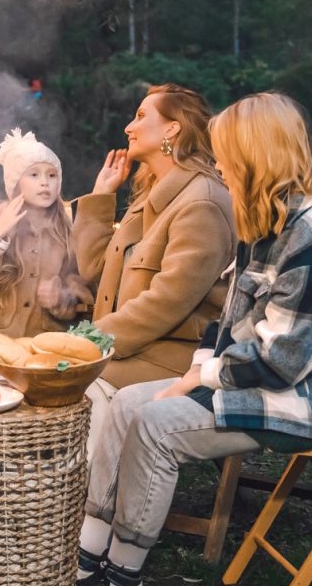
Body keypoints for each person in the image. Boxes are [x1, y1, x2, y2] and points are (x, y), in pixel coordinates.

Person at [75, 91, 312, 586]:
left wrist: (201, 375)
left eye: (227, 153)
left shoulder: (306, 238)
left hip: (289, 399)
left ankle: (123, 582)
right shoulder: (264, 225)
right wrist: (197, 368)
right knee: (125, 404)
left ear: (257, 155)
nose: (219, 164)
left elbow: (283, 362)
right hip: (243, 376)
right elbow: (223, 322)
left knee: (156, 423)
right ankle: (87, 556)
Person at [72, 83, 236, 458]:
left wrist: (88, 343)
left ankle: (89, 510)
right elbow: (91, 269)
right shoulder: (150, 196)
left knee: (74, 387)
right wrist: (101, 197)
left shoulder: (202, 202)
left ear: (172, 129)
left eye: (142, 116)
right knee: (48, 383)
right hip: (130, 349)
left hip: (171, 357)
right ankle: (50, 497)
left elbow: (166, 302)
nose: (129, 127)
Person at [0, 129, 92, 379]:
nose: (45, 182)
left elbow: (79, 286)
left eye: (52, 175)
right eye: (34, 175)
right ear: (15, 183)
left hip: (42, 347)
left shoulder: (66, 231)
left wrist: (61, 297)